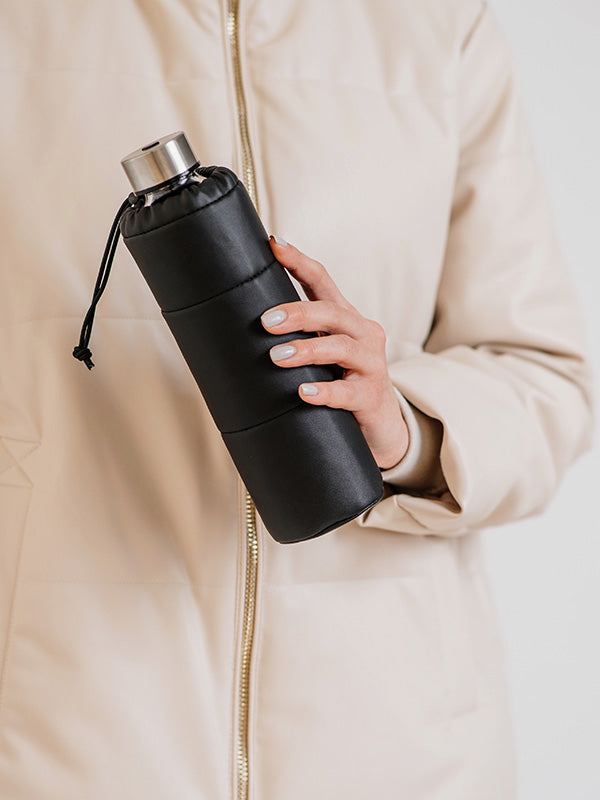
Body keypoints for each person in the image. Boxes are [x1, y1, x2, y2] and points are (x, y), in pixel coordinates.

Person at [0, 1, 594, 798]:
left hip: (397, 740)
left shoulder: (437, 25)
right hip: (70, 731)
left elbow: (548, 380)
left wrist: (401, 427)